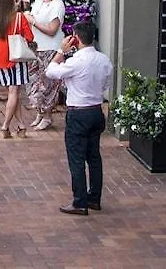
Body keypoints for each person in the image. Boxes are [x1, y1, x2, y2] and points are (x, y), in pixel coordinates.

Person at [45, 21, 112, 216]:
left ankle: (79, 201)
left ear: (76, 38)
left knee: (76, 158)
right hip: (96, 110)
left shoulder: (75, 61)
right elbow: (106, 83)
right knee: (94, 157)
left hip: (78, 112)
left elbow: (51, 72)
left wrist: (61, 50)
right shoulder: (104, 60)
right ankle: (94, 198)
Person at [0, 0, 34, 138]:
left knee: (13, 93)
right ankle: (5, 126)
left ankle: (21, 126)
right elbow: (30, 37)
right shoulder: (18, 16)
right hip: (16, 57)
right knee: (14, 92)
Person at [26, 0, 67, 131]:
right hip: (36, 47)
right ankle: (39, 111)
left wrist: (33, 21)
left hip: (49, 49)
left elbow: (52, 29)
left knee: (47, 84)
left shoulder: (58, 5)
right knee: (33, 81)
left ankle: (48, 115)